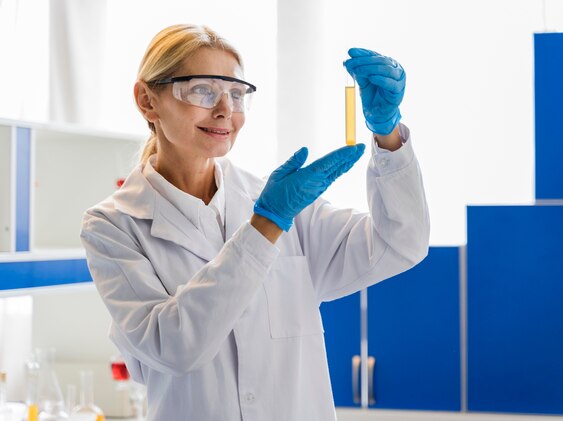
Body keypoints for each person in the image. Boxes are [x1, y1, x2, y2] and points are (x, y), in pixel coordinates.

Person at [80, 23, 429, 421]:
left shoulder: (279, 203)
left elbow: (401, 244)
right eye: (202, 90)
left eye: (235, 93)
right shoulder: (113, 227)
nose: (225, 109)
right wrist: (266, 226)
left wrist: (387, 138)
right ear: (147, 100)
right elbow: (174, 348)